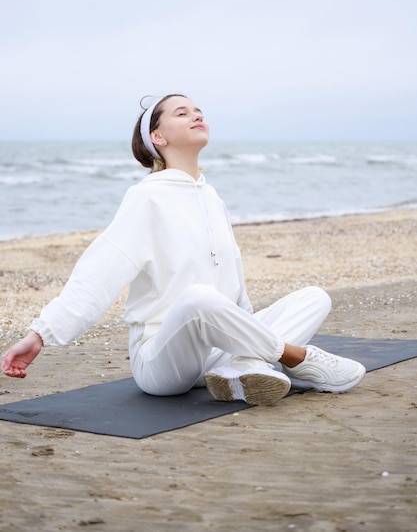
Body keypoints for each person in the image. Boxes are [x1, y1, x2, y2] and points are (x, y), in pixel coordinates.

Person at [1, 94, 366, 406]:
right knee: (196, 298)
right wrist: (41, 334)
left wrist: (245, 334)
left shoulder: (212, 196)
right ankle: (298, 359)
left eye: (198, 110)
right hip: (163, 361)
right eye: (182, 112)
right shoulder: (146, 198)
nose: (197, 115)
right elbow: (99, 273)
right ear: (157, 136)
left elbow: (235, 284)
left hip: (217, 353)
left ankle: (243, 366)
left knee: (314, 297)